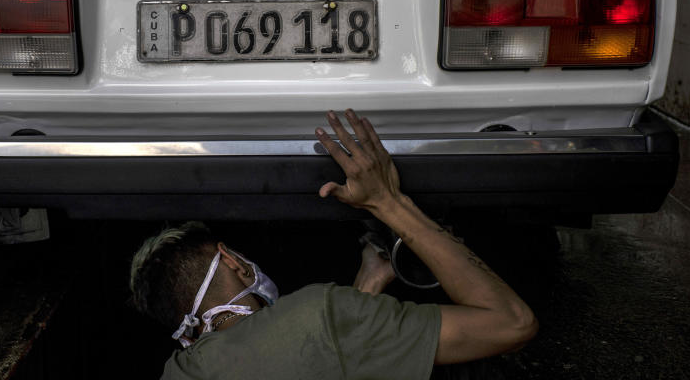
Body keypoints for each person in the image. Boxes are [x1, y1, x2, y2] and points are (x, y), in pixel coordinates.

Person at [129, 109, 538, 379]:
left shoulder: (180, 372)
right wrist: (388, 202)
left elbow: (318, 352)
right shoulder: (322, 312)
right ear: (233, 261)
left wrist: (367, 290)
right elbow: (511, 323)